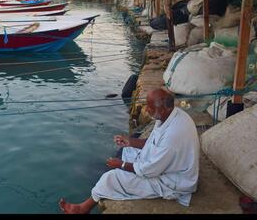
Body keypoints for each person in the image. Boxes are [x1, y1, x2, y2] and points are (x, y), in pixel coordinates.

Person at [59, 88, 200, 214]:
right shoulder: (170, 115)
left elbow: (149, 171)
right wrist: (130, 142)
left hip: (174, 181)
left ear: (162, 109)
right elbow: (153, 143)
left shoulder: (173, 135)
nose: (146, 109)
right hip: (164, 165)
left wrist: (121, 165)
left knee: (112, 178)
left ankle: (83, 209)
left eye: (149, 107)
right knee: (128, 149)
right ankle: (110, 178)